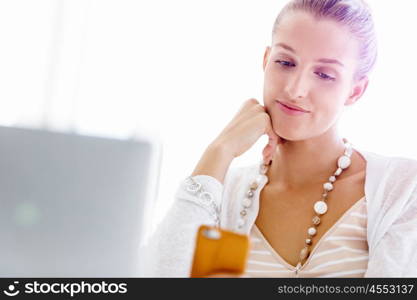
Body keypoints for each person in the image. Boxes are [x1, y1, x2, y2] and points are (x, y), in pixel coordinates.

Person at [143, 0, 417, 277]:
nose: (295, 89)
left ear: (355, 91)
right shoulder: (225, 194)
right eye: (285, 62)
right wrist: (219, 151)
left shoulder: (401, 190)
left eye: (324, 74)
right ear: (266, 60)